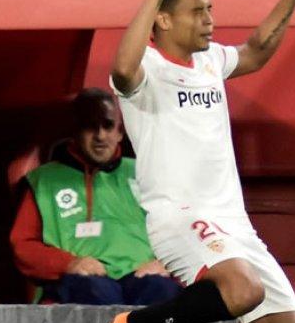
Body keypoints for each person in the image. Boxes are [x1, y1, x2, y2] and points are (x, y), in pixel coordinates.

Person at [102, 0, 295, 323]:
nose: (208, 20)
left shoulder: (211, 62)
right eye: (197, 12)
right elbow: (122, 70)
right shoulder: (148, 73)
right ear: (163, 19)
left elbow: (256, 50)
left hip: (233, 221)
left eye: (210, 10)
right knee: (242, 289)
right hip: (180, 214)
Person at [10, 88, 181, 305]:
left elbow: (183, 233)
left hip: (144, 279)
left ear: (120, 132)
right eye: (90, 126)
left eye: (108, 126)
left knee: (162, 290)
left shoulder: (148, 174)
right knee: (96, 292)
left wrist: (165, 264)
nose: (100, 135)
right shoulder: (43, 181)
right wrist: (68, 264)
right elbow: (23, 247)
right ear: (75, 131)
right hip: (79, 282)